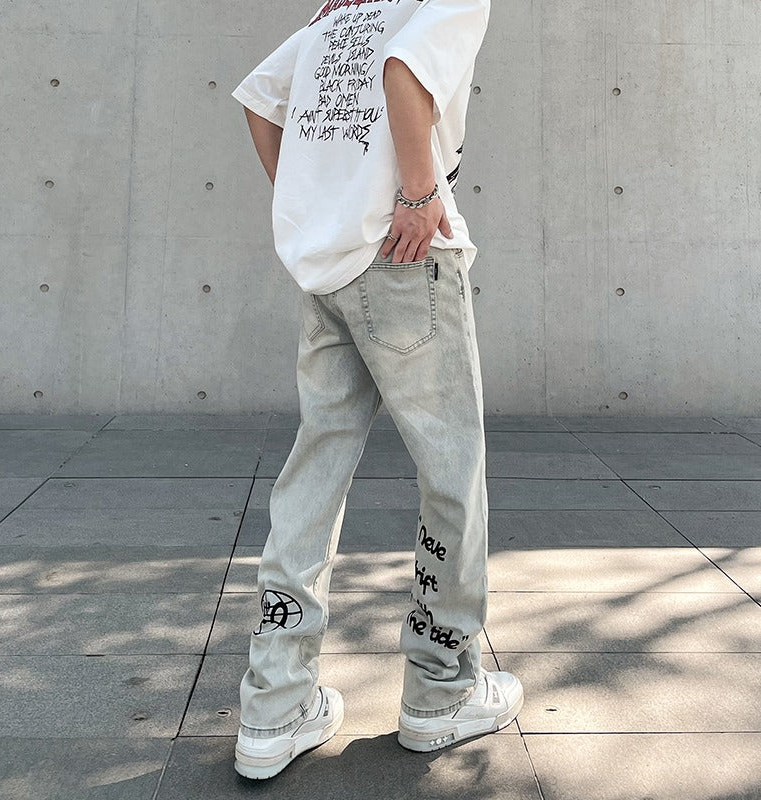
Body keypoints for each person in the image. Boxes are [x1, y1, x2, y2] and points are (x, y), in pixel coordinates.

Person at [230, 0, 523, 780]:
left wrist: (318, 207)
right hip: (403, 259)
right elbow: (403, 70)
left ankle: (274, 704)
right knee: (451, 468)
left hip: (327, 268)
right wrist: (420, 195)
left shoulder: (336, 15)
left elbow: (260, 101)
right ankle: (441, 691)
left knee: (315, 468)